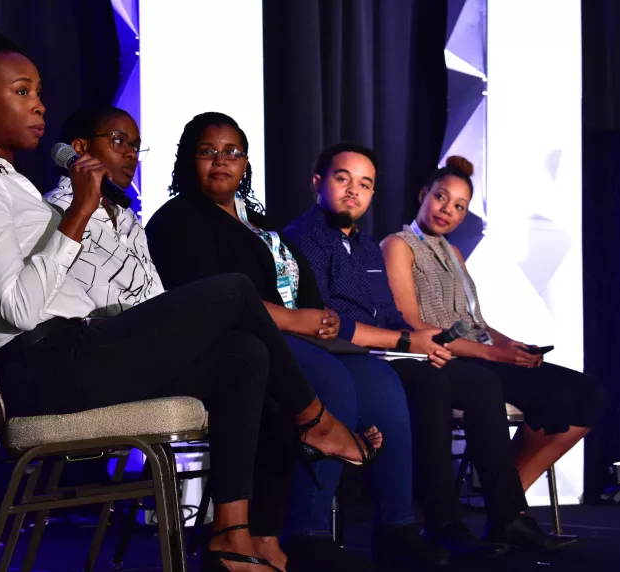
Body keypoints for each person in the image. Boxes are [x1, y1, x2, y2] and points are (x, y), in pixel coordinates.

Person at [0, 24, 374, 572]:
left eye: (39, 92)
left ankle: (232, 536)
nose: (39, 105)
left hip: (75, 349)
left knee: (245, 356)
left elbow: (67, 290)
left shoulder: (9, 181)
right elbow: (21, 310)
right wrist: (79, 214)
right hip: (42, 367)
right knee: (235, 292)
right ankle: (315, 420)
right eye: (21, 92)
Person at [144, 112, 447, 571]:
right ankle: (307, 533)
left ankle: (398, 527)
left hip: (290, 335)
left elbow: (293, 283)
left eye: (232, 152)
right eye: (208, 151)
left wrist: (321, 318)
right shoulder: (179, 220)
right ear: (188, 159)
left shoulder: (255, 220)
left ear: (246, 163)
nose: (221, 160)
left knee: (381, 383)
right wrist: (299, 321)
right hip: (232, 344)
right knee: (332, 381)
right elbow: (211, 299)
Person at [285, 142, 577, 560]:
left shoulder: (365, 245)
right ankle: (434, 523)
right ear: (318, 182)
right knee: (432, 384)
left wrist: (426, 344)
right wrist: (410, 341)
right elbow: (327, 319)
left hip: (391, 350)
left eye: (364, 184)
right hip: (346, 354)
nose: (353, 191)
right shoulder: (303, 239)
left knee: (479, 383)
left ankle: (505, 515)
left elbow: (391, 313)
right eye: (342, 179)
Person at [381, 155, 606, 507]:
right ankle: (508, 505)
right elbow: (412, 322)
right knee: (556, 395)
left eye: (459, 206)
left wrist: (513, 346)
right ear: (424, 195)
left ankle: (509, 495)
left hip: (480, 354)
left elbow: (477, 323)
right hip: (444, 359)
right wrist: (494, 353)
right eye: (441, 197)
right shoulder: (397, 244)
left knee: (588, 392)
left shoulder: (454, 253)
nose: (447, 210)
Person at [44, 106, 163, 316]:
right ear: (80, 148)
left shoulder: (126, 215)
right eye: (119, 141)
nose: (131, 154)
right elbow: (98, 307)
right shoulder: (59, 209)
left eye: (135, 147)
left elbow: (153, 293)